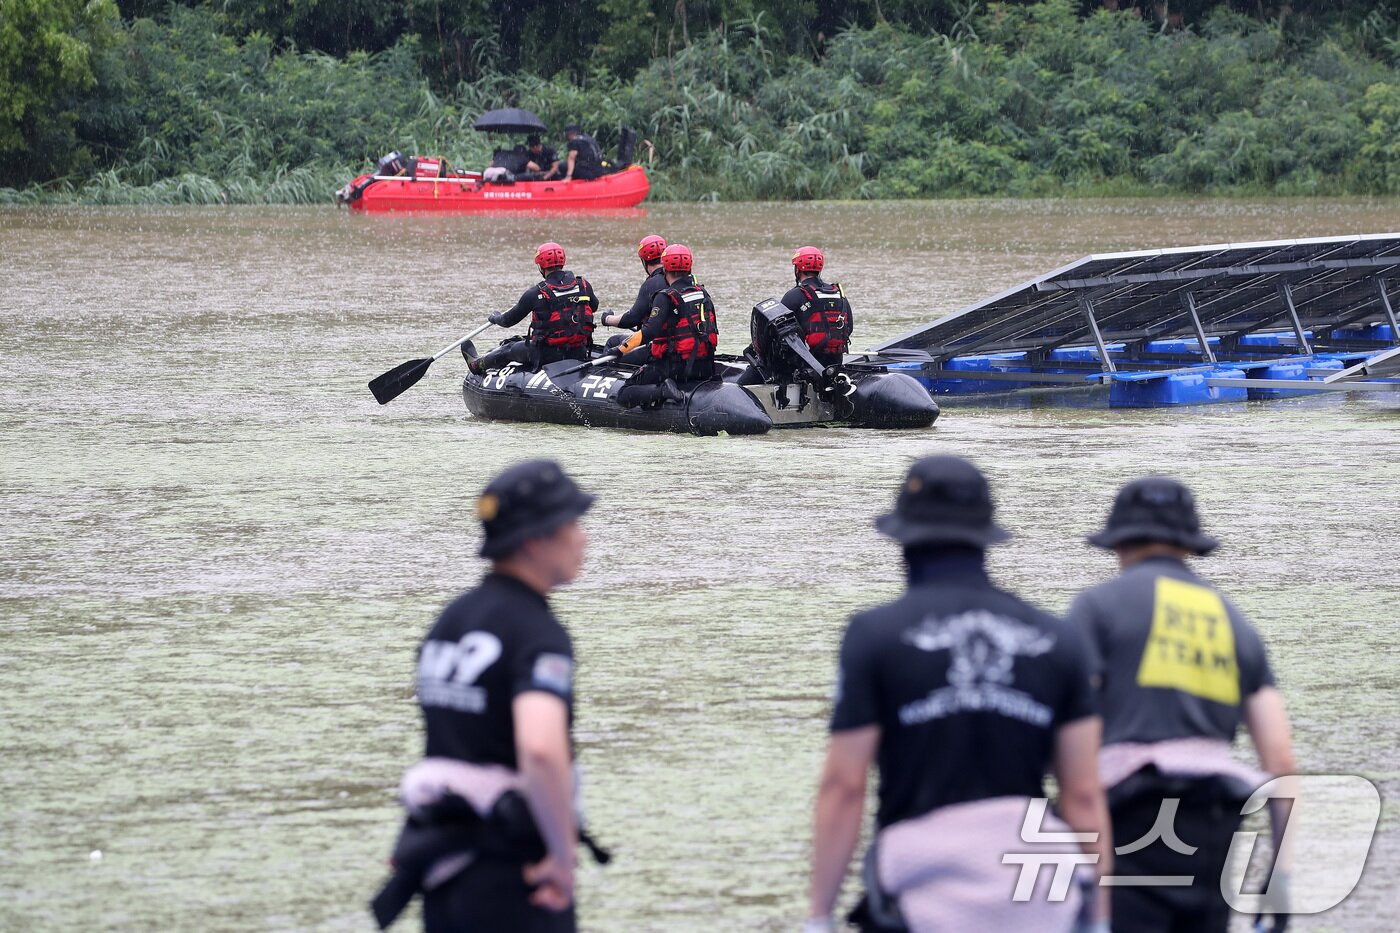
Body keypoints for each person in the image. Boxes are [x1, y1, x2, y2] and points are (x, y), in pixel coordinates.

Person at [806, 455, 1112, 933]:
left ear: (903, 542)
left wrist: (819, 918)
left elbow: (844, 787)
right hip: (1036, 887)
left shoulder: (874, 635)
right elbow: (1083, 793)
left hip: (924, 883)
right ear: (985, 541)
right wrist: (1098, 920)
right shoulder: (1058, 639)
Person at [372, 459, 595, 933]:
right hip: (514, 875)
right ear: (535, 539)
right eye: (573, 524)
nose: (584, 538)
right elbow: (539, 747)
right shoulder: (536, 633)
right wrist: (561, 856)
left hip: (444, 873)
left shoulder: (450, 621)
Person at [1066, 477, 1296, 933]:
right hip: (1214, 822)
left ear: (1119, 541)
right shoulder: (1233, 620)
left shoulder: (1097, 609)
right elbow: (1282, 760)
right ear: (1189, 545)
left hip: (1129, 820)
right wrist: (1281, 878)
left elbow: (1073, 751)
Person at [616, 243, 719, 410]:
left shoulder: (665, 297)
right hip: (704, 366)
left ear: (665, 268)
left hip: (675, 368)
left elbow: (649, 331)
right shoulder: (702, 293)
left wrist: (620, 350)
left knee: (623, 395)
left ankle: (662, 391)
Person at [468, 243, 598, 374]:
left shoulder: (535, 293)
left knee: (508, 349)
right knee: (519, 340)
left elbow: (507, 321)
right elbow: (594, 306)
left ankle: (476, 365)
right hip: (579, 350)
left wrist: (495, 317)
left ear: (541, 266)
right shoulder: (584, 285)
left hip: (545, 354)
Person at [781, 246, 853, 372]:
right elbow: (849, 328)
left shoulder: (794, 295)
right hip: (835, 365)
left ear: (797, 269)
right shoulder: (839, 295)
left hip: (804, 368)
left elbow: (776, 332)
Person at [600, 235, 667, 335]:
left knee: (612, 342)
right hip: (686, 341)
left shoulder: (651, 284)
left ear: (644, 261)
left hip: (661, 345)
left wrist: (607, 319)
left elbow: (632, 319)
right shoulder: (683, 279)